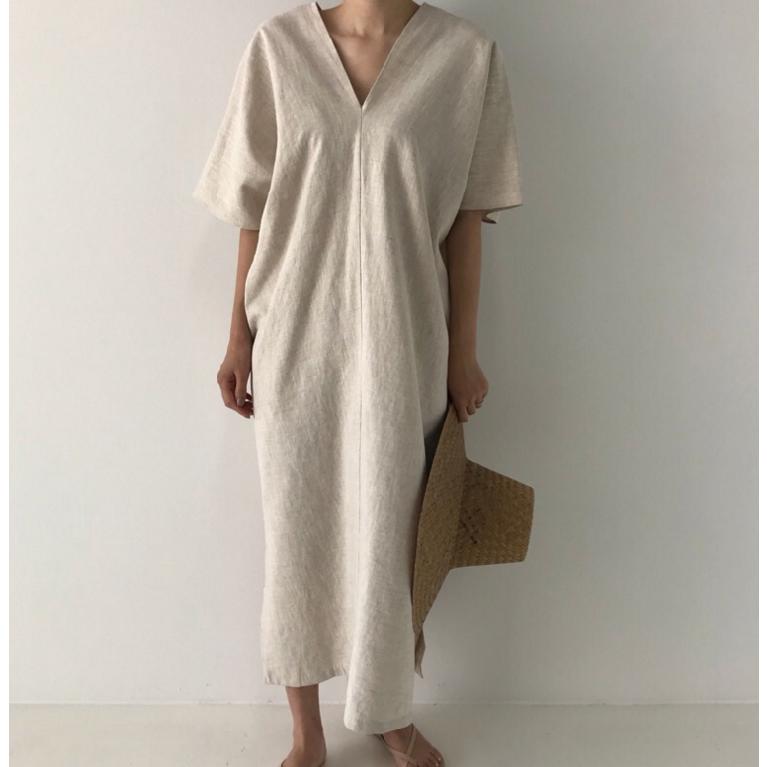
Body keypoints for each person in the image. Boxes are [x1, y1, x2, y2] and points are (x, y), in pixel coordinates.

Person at [193, 1, 523, 764]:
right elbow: (252, 207)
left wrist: (463, 352)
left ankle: (385, 710)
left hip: (403, 341)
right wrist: (238, 334)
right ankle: (305, 728)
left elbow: (466, 220)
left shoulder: (464, 59)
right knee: (296, 526)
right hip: (294, 335)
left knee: (391, 534)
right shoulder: (278, 50)